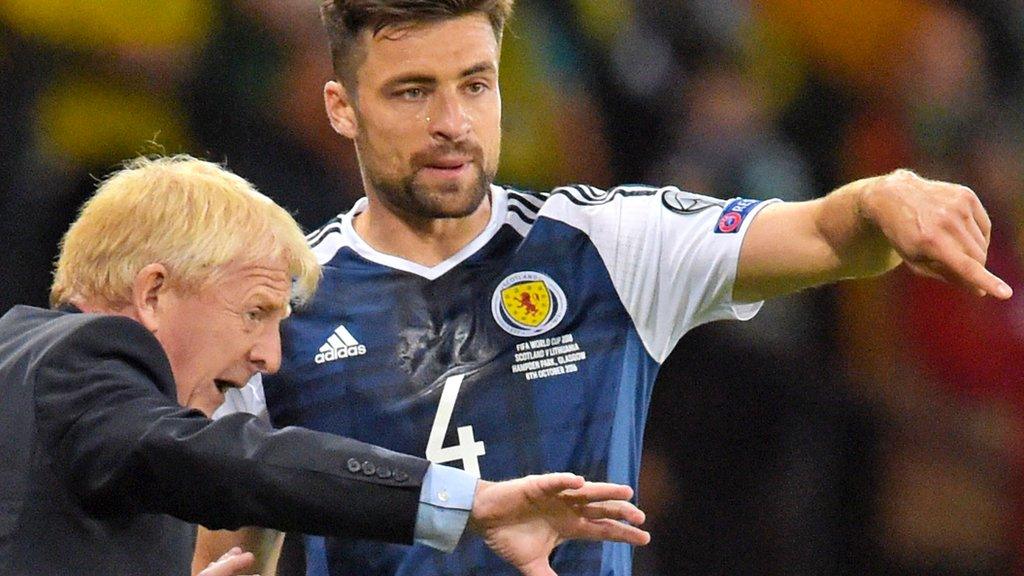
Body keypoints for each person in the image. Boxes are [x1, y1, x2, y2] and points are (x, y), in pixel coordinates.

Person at [198, 1, 1012, 575]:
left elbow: (826, 233)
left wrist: (887, 195)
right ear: (341, 107)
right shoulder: (282, 304)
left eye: (475, 84)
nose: (453, 120)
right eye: (413, 91)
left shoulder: (606, 243)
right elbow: (228, 548)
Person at [0, 155, 652, 576]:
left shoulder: (35, 383)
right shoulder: (81, 363)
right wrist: (470, 503)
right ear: (152, 294)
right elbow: (234, 460)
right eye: (255, 311)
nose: (270, 357)